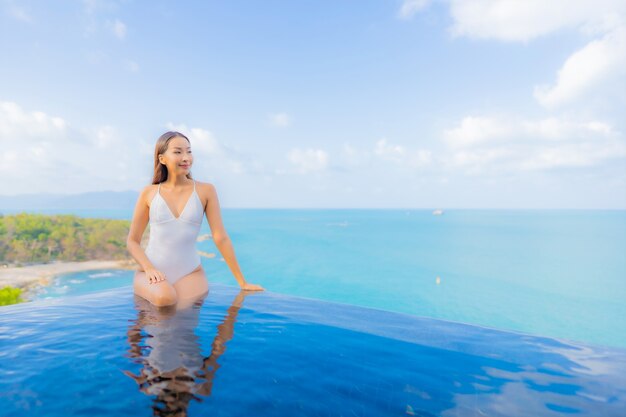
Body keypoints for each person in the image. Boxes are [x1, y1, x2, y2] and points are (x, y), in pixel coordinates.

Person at [126, 131, 264, 307]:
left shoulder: (206, 190)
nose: (186, 157)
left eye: (189, 151)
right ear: (162, 159)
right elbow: (132, 241)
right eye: (178, 152)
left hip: (190, 272)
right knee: (165, 299)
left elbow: (220, 237)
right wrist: (149, 268)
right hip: (150, 272)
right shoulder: (149, 193)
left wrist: (242, 282)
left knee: (182, 317)